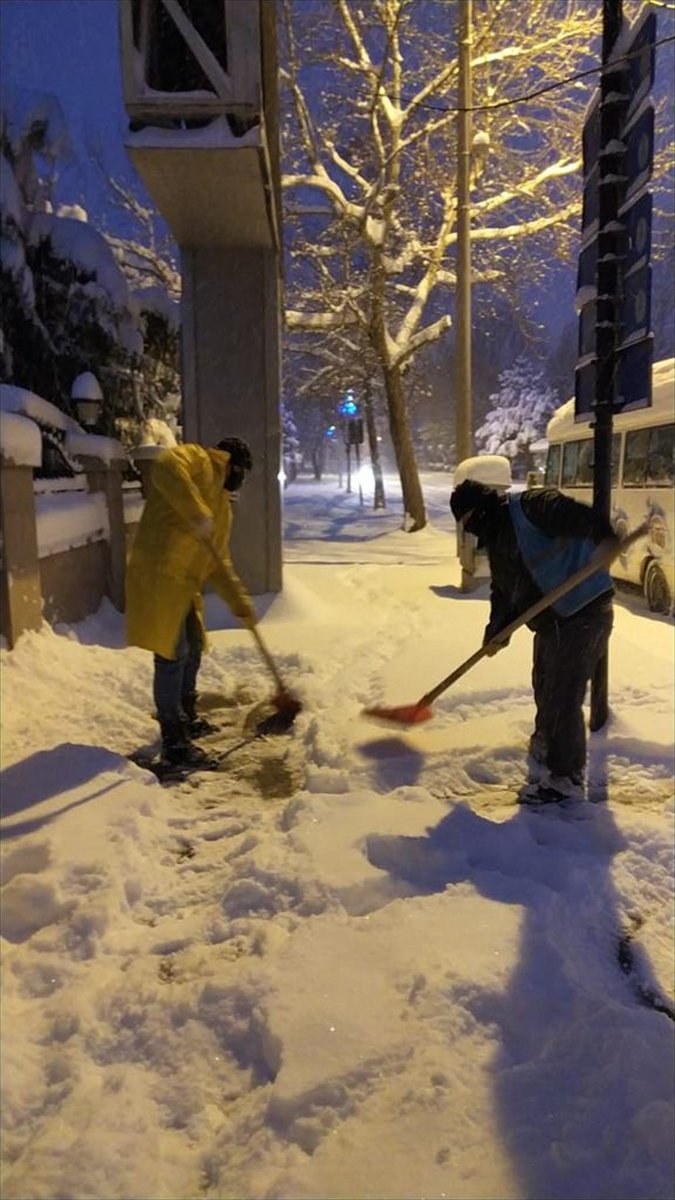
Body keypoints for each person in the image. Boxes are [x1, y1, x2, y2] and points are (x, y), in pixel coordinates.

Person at [449, 479, 619, 803]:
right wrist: (496, 633)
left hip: (585, 611)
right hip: (552, 620)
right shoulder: (498, 538)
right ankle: (544, 755)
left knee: (562, 696)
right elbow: (504, 593)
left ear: (482, 509)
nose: (472, 531)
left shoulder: (532, 506)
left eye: (471, 522)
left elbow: (576, 515)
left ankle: (563, 780)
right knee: (545, 687)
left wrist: (605, 538)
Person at [126, 437, 256, 767]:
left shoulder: (223, 507)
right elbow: (167, 466)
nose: (240, 478)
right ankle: (173, 740)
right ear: (231, 463)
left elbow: (218, 562)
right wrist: (195, 510)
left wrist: (238, 601)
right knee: (173, 652)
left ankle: (186, 716)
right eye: (240, 470)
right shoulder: (198, 461)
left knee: (194, 646)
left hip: (183, 585)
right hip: (158, 573)